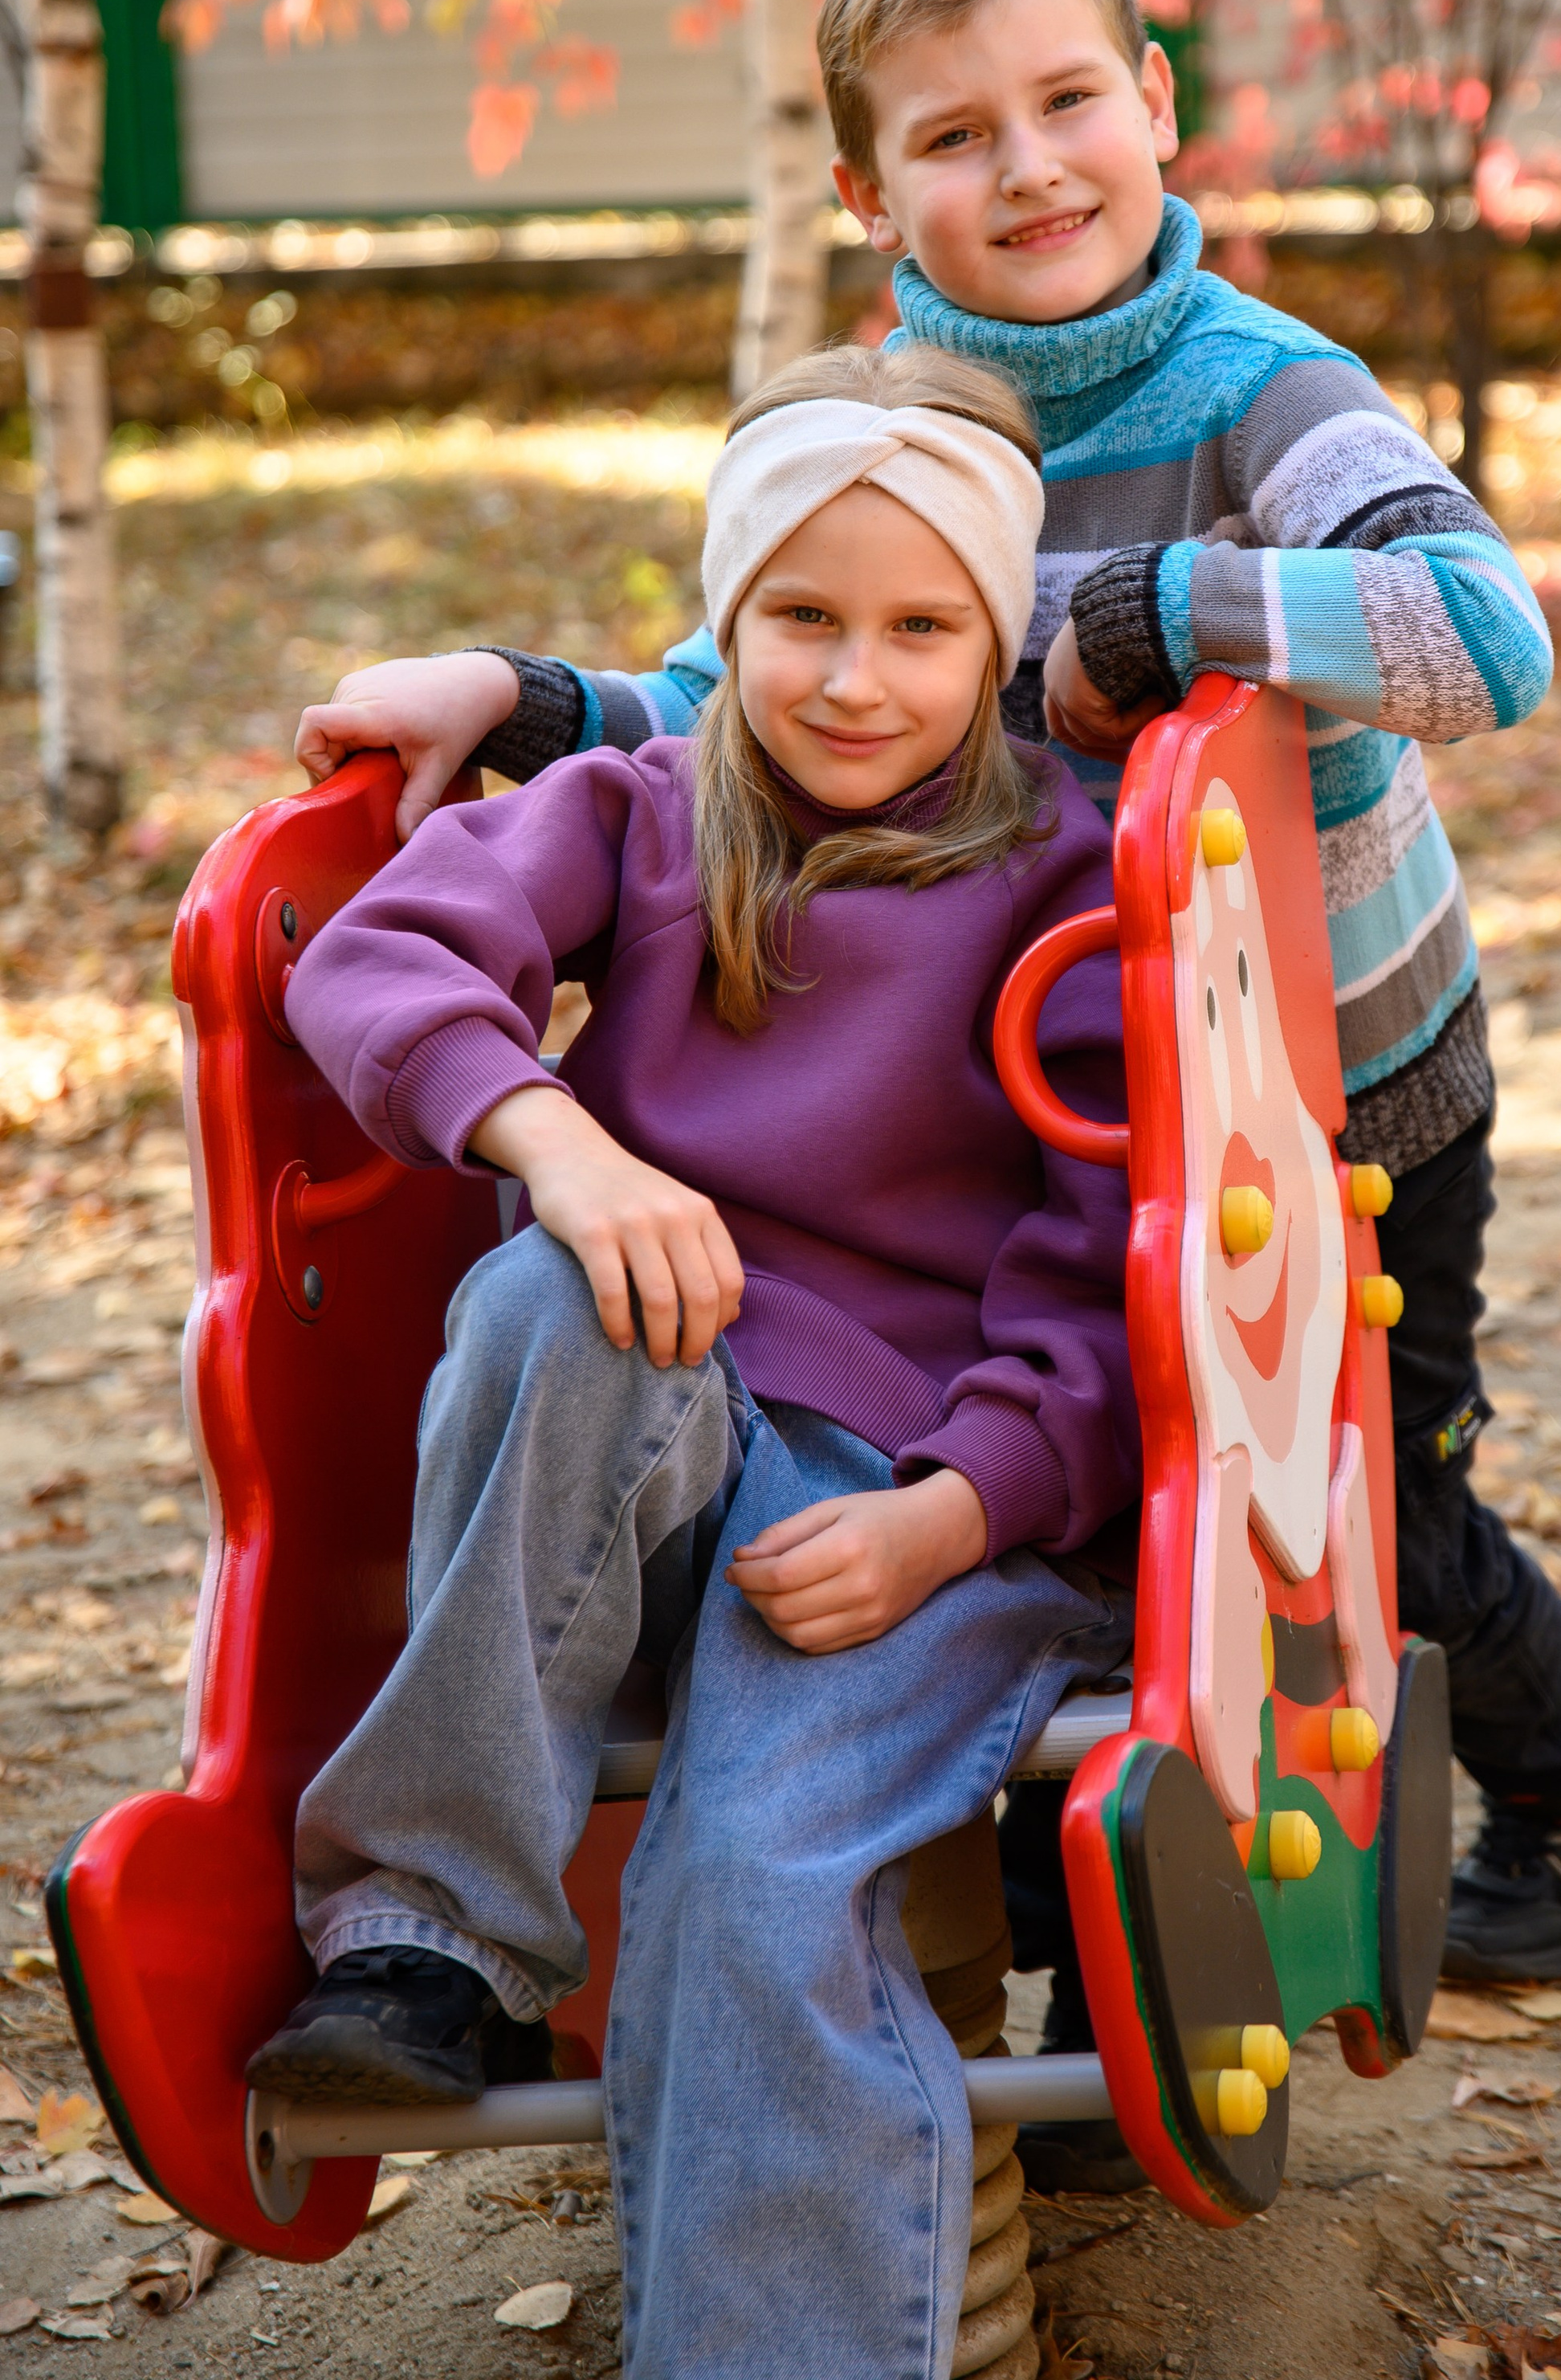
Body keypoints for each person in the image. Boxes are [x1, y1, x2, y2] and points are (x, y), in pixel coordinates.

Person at [295, 0, 1561, 2084]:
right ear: (872, 194)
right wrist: (533, 691)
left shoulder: (1265, 397)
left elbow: (1478, 638)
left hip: (1322, 1084)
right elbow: (739, 685)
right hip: (1051, 1090)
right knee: (1105, 1488)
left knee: (1350, 1506)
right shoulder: (906, 404)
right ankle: (1074, 1942)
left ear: (1155, 108)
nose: (1027, 168)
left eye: (1066, 103)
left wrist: (1158, 614)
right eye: (955, 135)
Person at [252, 342, 1139, 2377]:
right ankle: (427, 1936)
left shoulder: (1067, 877)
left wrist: (954, 1516)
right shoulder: (639, 805)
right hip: (655, 1400)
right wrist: (556, 1138)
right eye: (800, 617)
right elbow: (380, 952)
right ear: (724, 619)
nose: (855, 677)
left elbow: (1106, 1282)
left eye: (924, 627)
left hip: (909, 1482)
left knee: (744, 1888)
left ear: (994, 637)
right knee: (538, 1291)